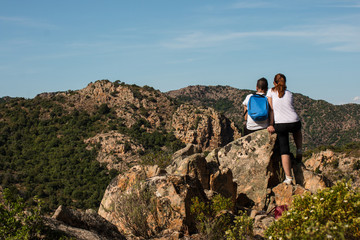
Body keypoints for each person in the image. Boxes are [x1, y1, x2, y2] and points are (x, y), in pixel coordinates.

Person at [267, 73, 302, 185]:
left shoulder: (271, 92)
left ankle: (288, 178)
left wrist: (271, 124)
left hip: (280, 124)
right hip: (294, 121)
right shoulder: (289, 93)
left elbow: (271, 109)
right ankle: (299, 149)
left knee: (284, 150)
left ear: (274, 83)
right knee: (297, 129)